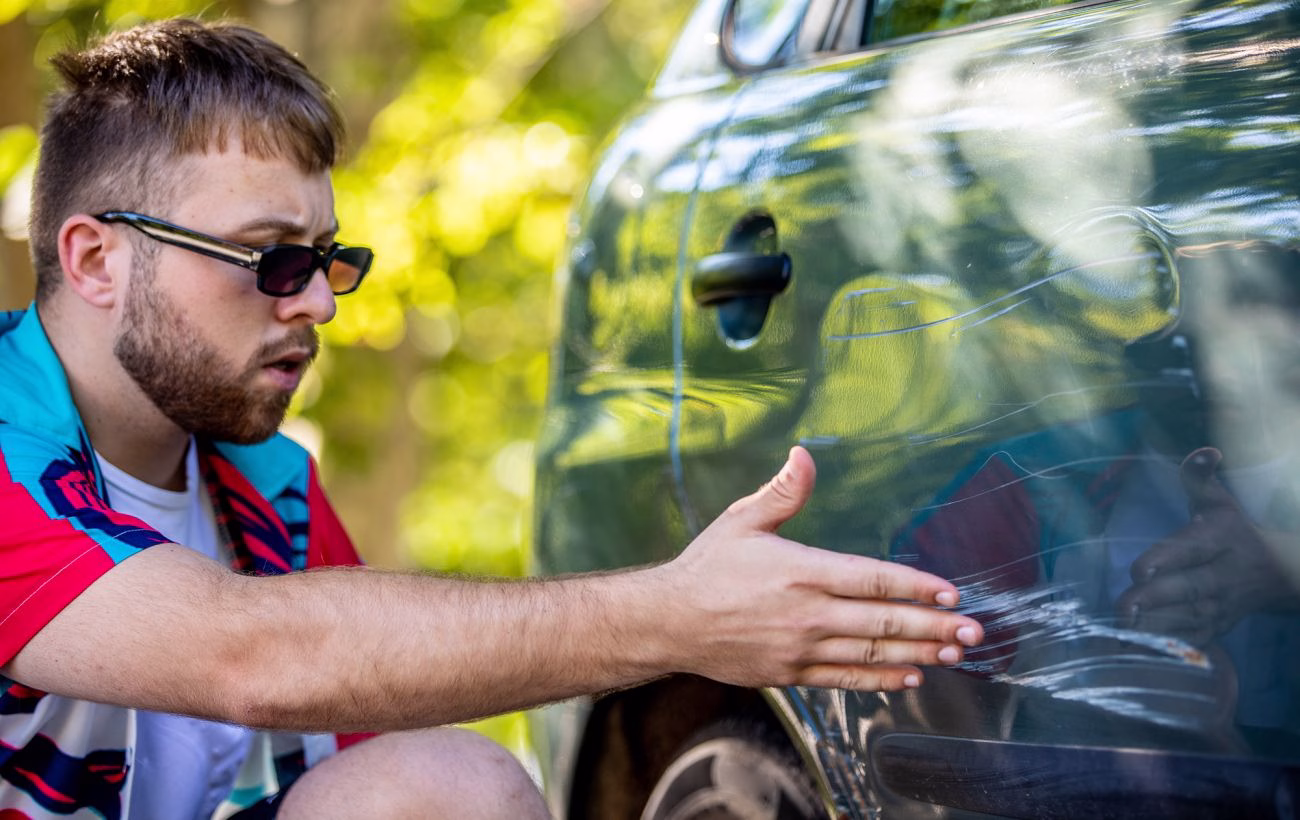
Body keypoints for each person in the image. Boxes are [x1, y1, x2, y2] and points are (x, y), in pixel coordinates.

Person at [0, 17, 984, 820]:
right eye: (270, 258)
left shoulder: (268, 492)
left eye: (327, 258)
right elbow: (253, 655)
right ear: (94, 261)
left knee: (447, 788)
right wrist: (682, 615)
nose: (320, 304)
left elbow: (386, 750)